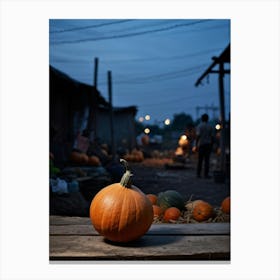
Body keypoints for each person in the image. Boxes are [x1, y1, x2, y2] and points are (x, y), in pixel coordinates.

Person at [195, 113, 214, 178]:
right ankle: (206, 174)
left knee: (200, 160)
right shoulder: (210, 126)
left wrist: (196, 145)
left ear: (202, 119)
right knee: (207, 160)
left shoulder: (199, 126)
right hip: (208, 145)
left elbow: (198, 136)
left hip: (201, 145)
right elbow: (212, 137)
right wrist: (212, 145)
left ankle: (198, 174)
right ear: (207, 119)